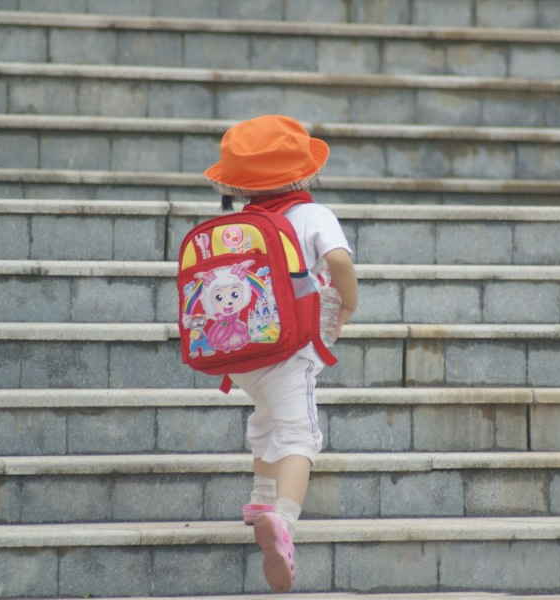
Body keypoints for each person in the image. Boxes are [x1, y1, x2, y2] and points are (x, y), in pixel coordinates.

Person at [203, 114, 358, 593]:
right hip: (294, 347)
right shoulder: (313, 216)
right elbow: (337, 261)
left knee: (267, 415)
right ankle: (282, 522)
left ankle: (260, 497)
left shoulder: (237, 225)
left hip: (243, 352)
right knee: (300, 435)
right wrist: (348, 302)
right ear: (306, 174)